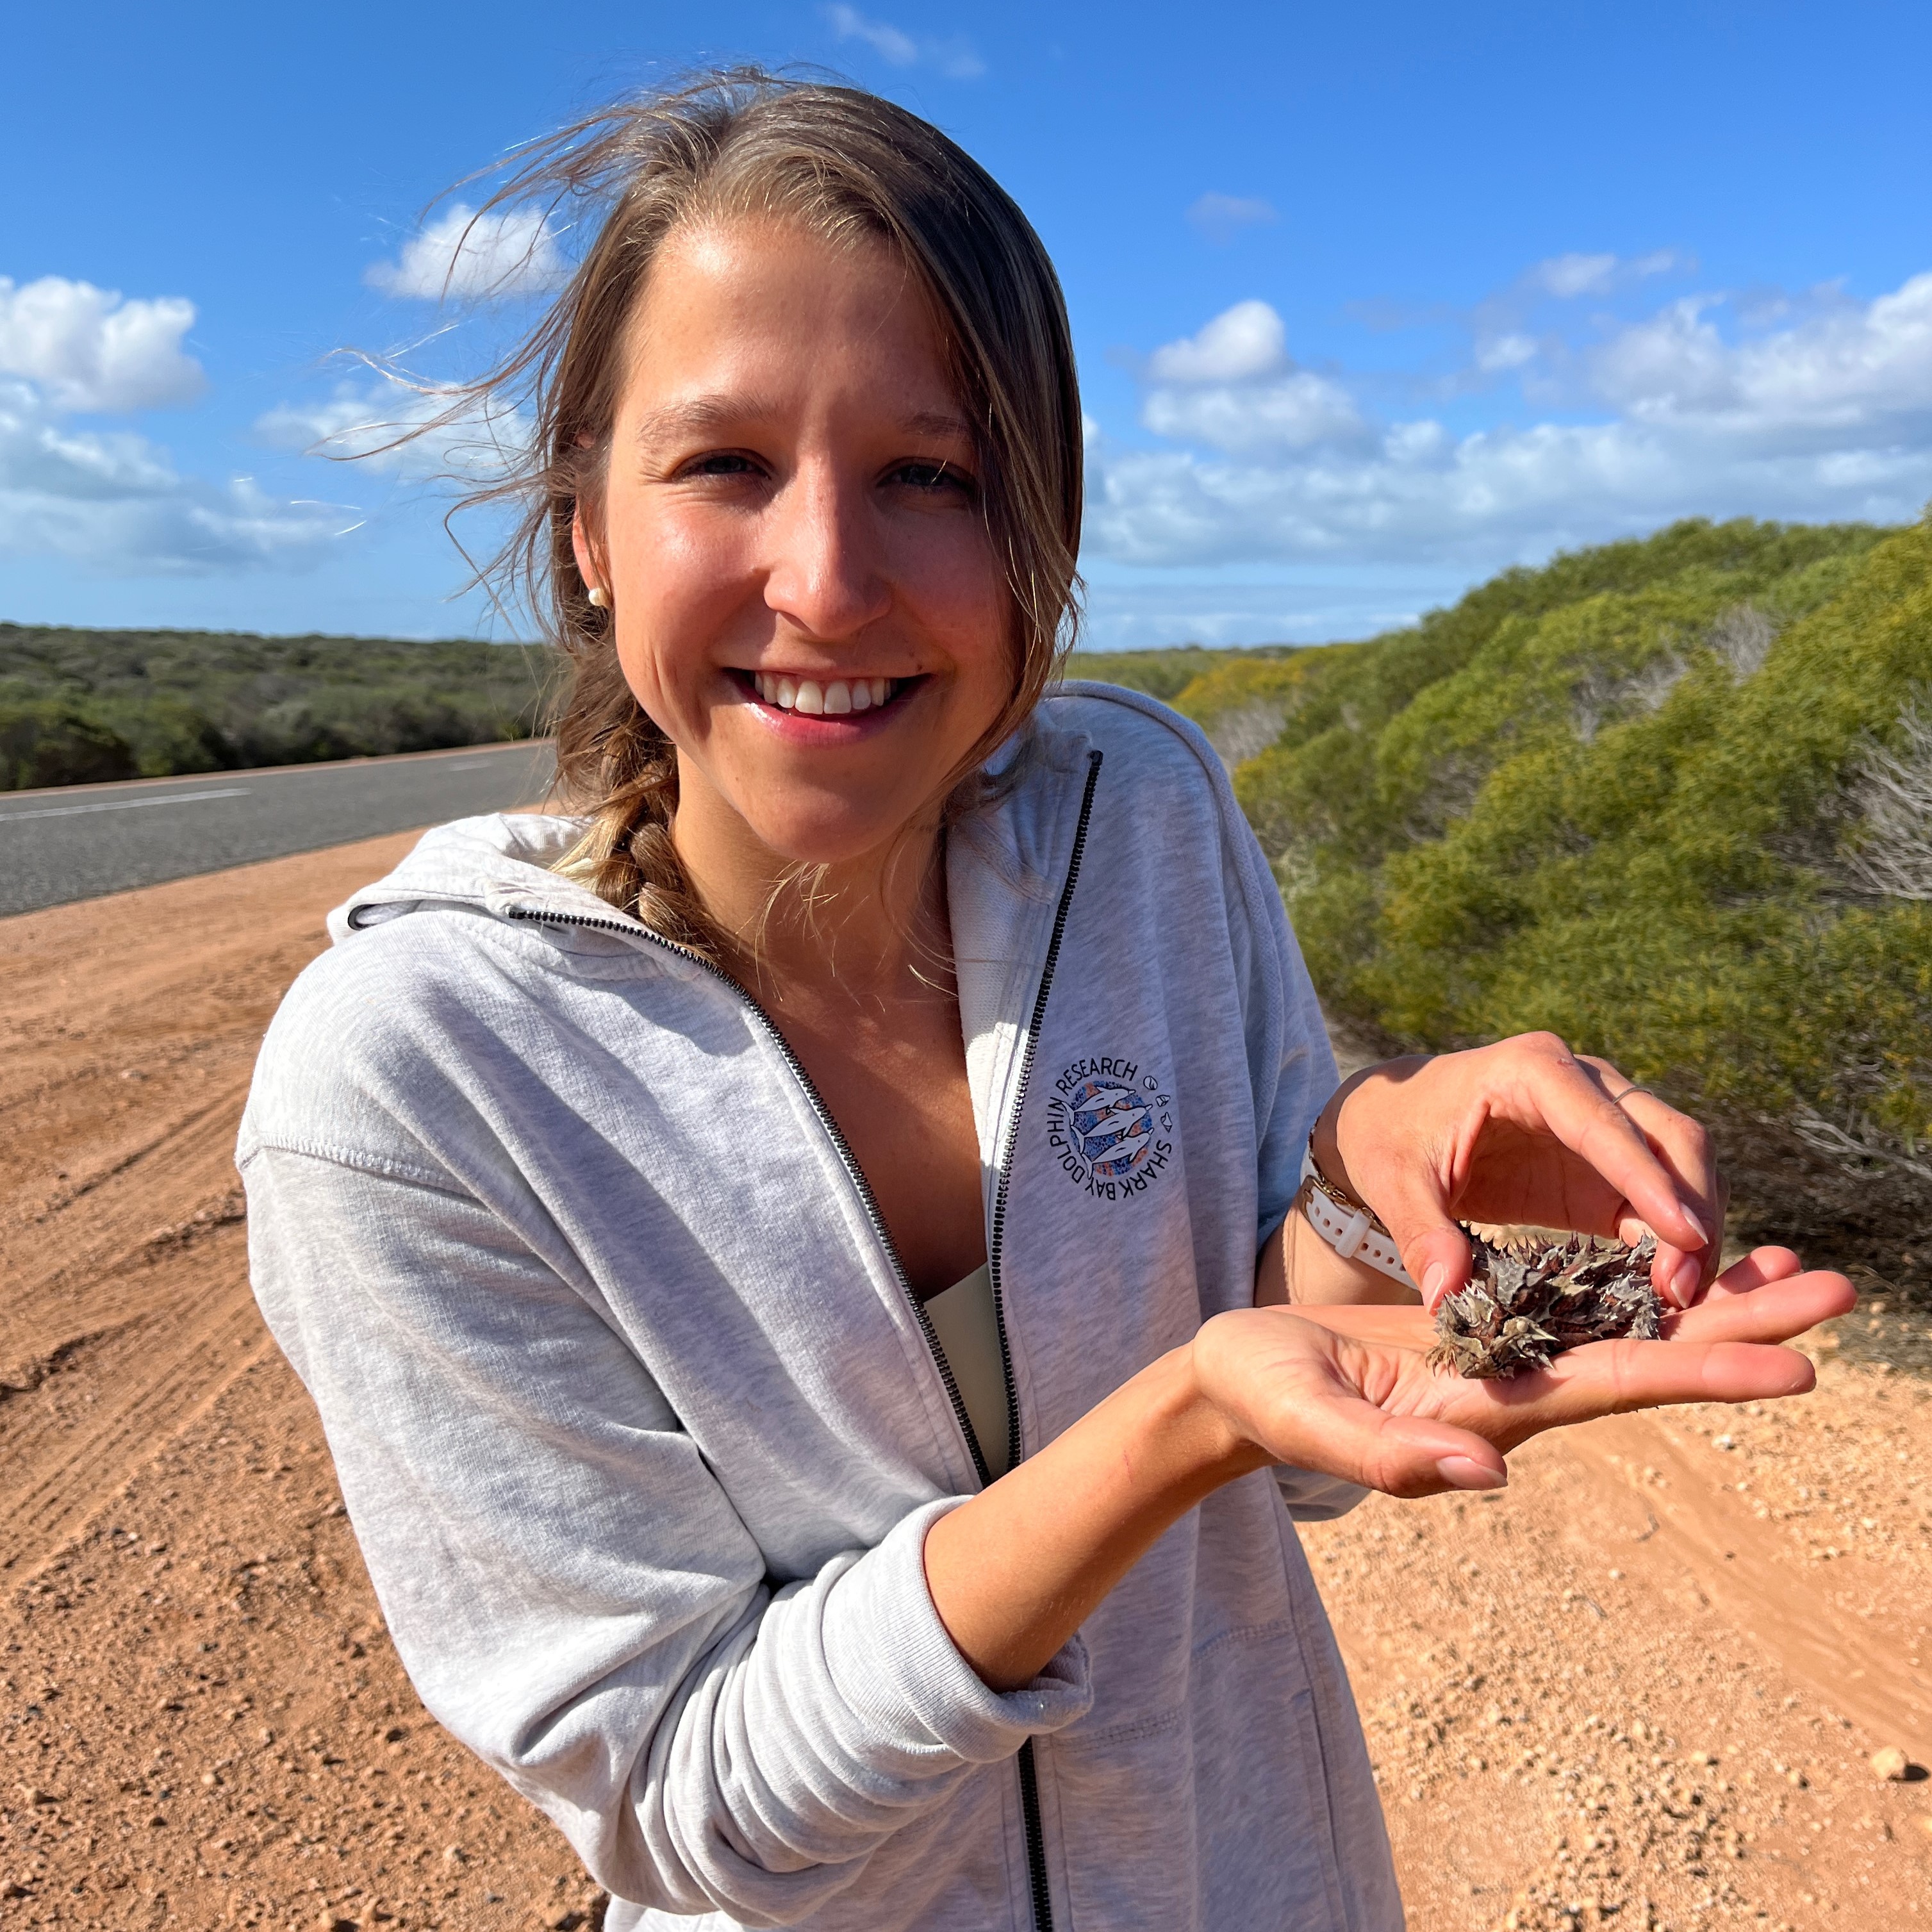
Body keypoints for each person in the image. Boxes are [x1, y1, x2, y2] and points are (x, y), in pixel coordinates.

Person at [238, 72, 1852, 1932]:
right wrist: (1177, 1427)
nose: (830, 580)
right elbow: (683, 1797)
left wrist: (1370, 1191)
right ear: (588, 525)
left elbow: (1286, 1388)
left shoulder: (1141, 814)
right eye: (724, 463)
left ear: (1037, 540)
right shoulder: (417, 1078)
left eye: (932, 476)